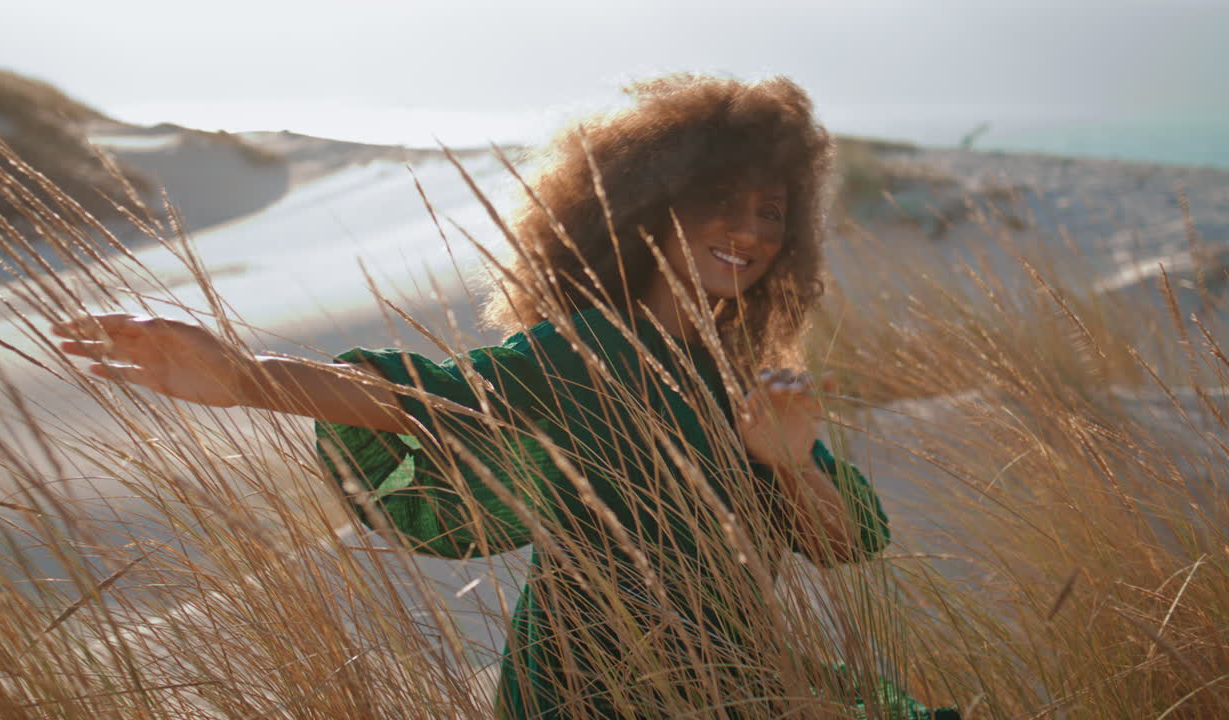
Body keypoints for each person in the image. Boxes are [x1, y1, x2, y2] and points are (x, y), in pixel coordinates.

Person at [51, 75, 958, 719]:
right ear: (649, 209)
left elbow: (849, 545)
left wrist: (792, 462)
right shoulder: (586, 350)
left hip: (738, 676)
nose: (752, 230)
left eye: (772, 211)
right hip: (590, 684)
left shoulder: (744, 377)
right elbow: (423, 399)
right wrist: (246, 378)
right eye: (725, 201)